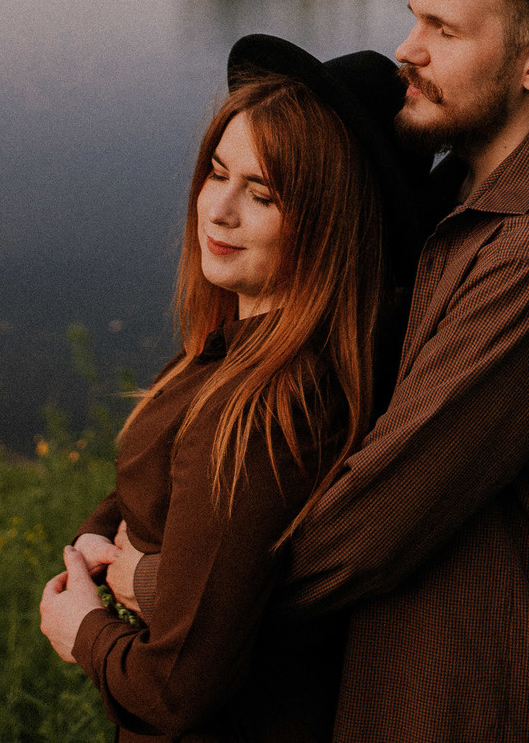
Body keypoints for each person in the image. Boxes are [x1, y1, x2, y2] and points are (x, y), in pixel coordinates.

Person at [121, 0, 529, 743]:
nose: (408, 49)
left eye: (444, 31)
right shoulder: (461, 187)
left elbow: (369, 528)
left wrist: (170, 589)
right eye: (415, 17)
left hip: (488, 693)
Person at [37, 36, 432, 742]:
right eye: (218, 173)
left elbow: (175, 690)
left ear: (328, 224)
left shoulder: (262, 412)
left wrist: (85, 632)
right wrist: (99, 541)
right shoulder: (242, 352)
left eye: (262, 194)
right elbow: (165, 487)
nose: (218, 210)